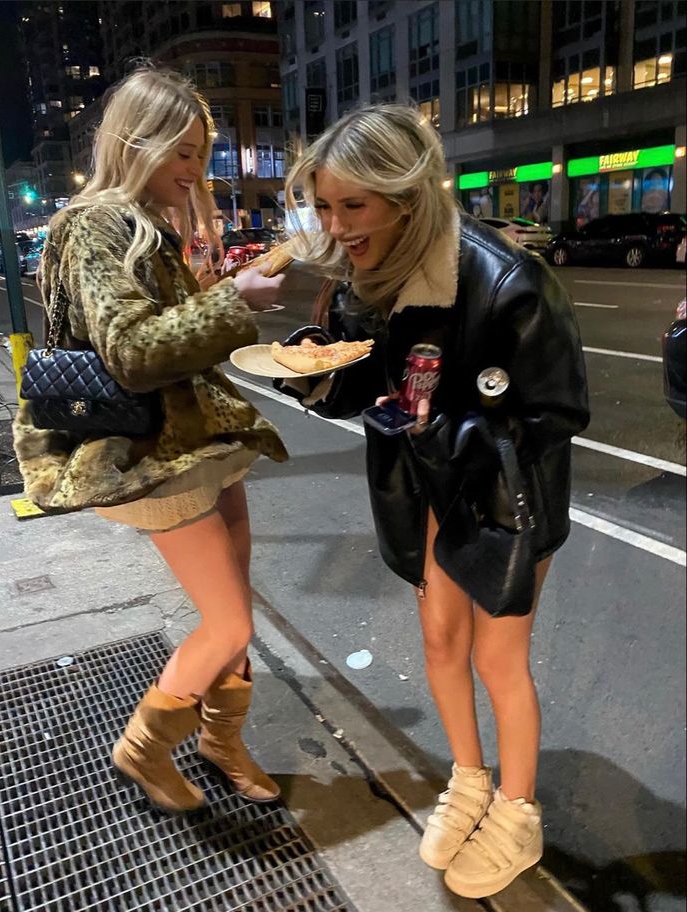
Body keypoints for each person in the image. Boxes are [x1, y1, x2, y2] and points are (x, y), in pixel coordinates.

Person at [276, 104, 589, 899]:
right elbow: (364, 384)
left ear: (407, 197)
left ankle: (518, 812)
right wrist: (317, 373)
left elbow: (553, 415)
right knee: (441, 644)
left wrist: (440, 429)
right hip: (422, 490)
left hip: (501, 501)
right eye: (324, 205)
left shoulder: (508, 279)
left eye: (354, 206)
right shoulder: (369, 280)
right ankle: (471, 779)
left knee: (496, 657)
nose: (337, 226)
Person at [13, 66, 289, 813]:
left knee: (237, 611)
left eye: (200, 154)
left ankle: (220, 740)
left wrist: (219, 294)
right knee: (227, 617)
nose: (195, 171)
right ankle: (144, 746)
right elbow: (132, 353)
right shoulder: (94, 222)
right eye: (183, 153)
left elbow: (174, 341)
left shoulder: (147, 224)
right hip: (149, 456)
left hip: (199, 444)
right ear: (135, 144)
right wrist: (233, 300)